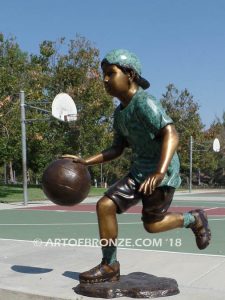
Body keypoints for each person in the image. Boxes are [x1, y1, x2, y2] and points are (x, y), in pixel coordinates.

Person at [62, 49, 211, 284]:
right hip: (138, 172)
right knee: (104, 206)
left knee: (151, 225)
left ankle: (195, 219)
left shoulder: (145, 102)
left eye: (111, 73)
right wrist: (85, 161)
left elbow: (171, 133)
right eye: (104, 75)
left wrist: (160, 171)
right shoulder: (119, 114)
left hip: (161, 173)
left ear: (129, 74)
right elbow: (116, 149)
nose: (105, 80)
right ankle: (110, 265)